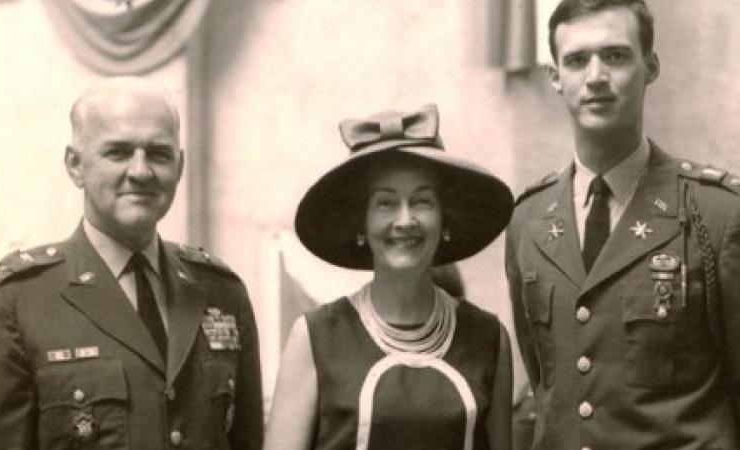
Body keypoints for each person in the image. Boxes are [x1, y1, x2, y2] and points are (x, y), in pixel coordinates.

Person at [0, 77, 263, 450]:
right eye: (118, 152)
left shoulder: (220, 292)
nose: (141, 171)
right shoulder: (15, 302)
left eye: (159, 153)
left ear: (179, 167)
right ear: (75, 165)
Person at [506, 1, 740, 448]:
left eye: (615, 55)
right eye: (576, 60)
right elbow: (547, 385)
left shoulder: (717, 213)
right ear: (555, 77)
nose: (595, 76)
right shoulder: (529, 221)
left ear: (650, 67)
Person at [265, 104, 515, 450]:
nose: (405, 220)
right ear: (362, 225)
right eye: (385, 203)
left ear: (445, 220)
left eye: (422, 202)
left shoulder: (489, 339)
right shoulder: (314, 338)